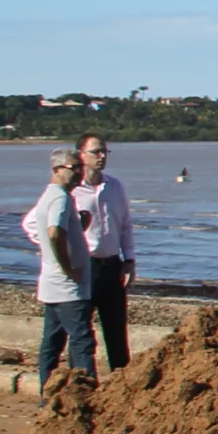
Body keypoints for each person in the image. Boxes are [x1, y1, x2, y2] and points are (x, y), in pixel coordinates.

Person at [21, 148, 94, 387]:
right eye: (73, 168)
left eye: (80, 168)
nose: (79, 173)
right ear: (57, 170)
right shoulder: (59, 197)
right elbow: (54, 233)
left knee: (52, 342)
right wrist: (67, 267)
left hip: (55, 285)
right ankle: (86, 395)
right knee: (82, 341)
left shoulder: (55, 197)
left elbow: (45, 228)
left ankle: (48, 393)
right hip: (66, 286)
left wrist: (79, 226)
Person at [73, 134, 138, 372]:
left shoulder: (114, 186)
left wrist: (129, 259)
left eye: (105, 152)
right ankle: (82, 382)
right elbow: (37, 225)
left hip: (112, 265)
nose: (101, 157)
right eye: (96, 152)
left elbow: (125, 225)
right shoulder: (72, 191)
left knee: (116, 331)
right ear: (81, 154)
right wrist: (63, 254)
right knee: (82, 332)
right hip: (84, 266)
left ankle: (122, 383)